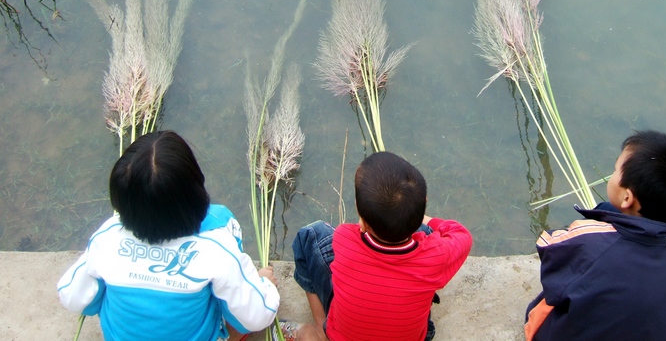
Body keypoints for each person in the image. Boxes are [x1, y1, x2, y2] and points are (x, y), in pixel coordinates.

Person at [57, 131, 280, 340]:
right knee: (239, 309)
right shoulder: (217, 247)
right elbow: (257, 317)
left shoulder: (107, 238)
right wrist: (264, 284)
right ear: (196, 193)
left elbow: (72, 297)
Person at [524, 130, 666, 341]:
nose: (612, 174)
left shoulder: (588, 240)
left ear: (627, 197)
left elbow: (548, 250)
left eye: (615, 171)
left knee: (541, 308)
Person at [291, 151, 473, 341]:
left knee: (311, 235)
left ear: (362, 222)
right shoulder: (436, 256)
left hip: (340, 336)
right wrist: (419, 217)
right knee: (426, 233)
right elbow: (461, 234)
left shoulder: (344, 237)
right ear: (424, 204)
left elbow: (357, 234)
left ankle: (322, 328)